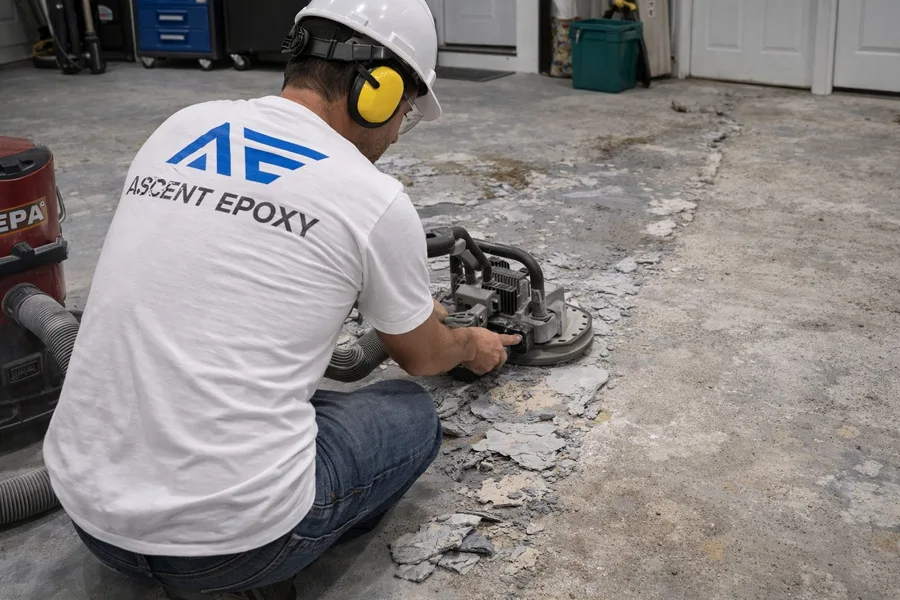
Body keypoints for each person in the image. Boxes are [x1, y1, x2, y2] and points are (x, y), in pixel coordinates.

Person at [40, 1, 520, 598]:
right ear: (379, 89)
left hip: (91, 516)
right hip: (234, 548)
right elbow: (423, 358)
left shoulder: (182, 127)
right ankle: (284, 548)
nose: (398, 133)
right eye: (406, 113)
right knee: (411, 413)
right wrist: (469, 343)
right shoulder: (371, 196)